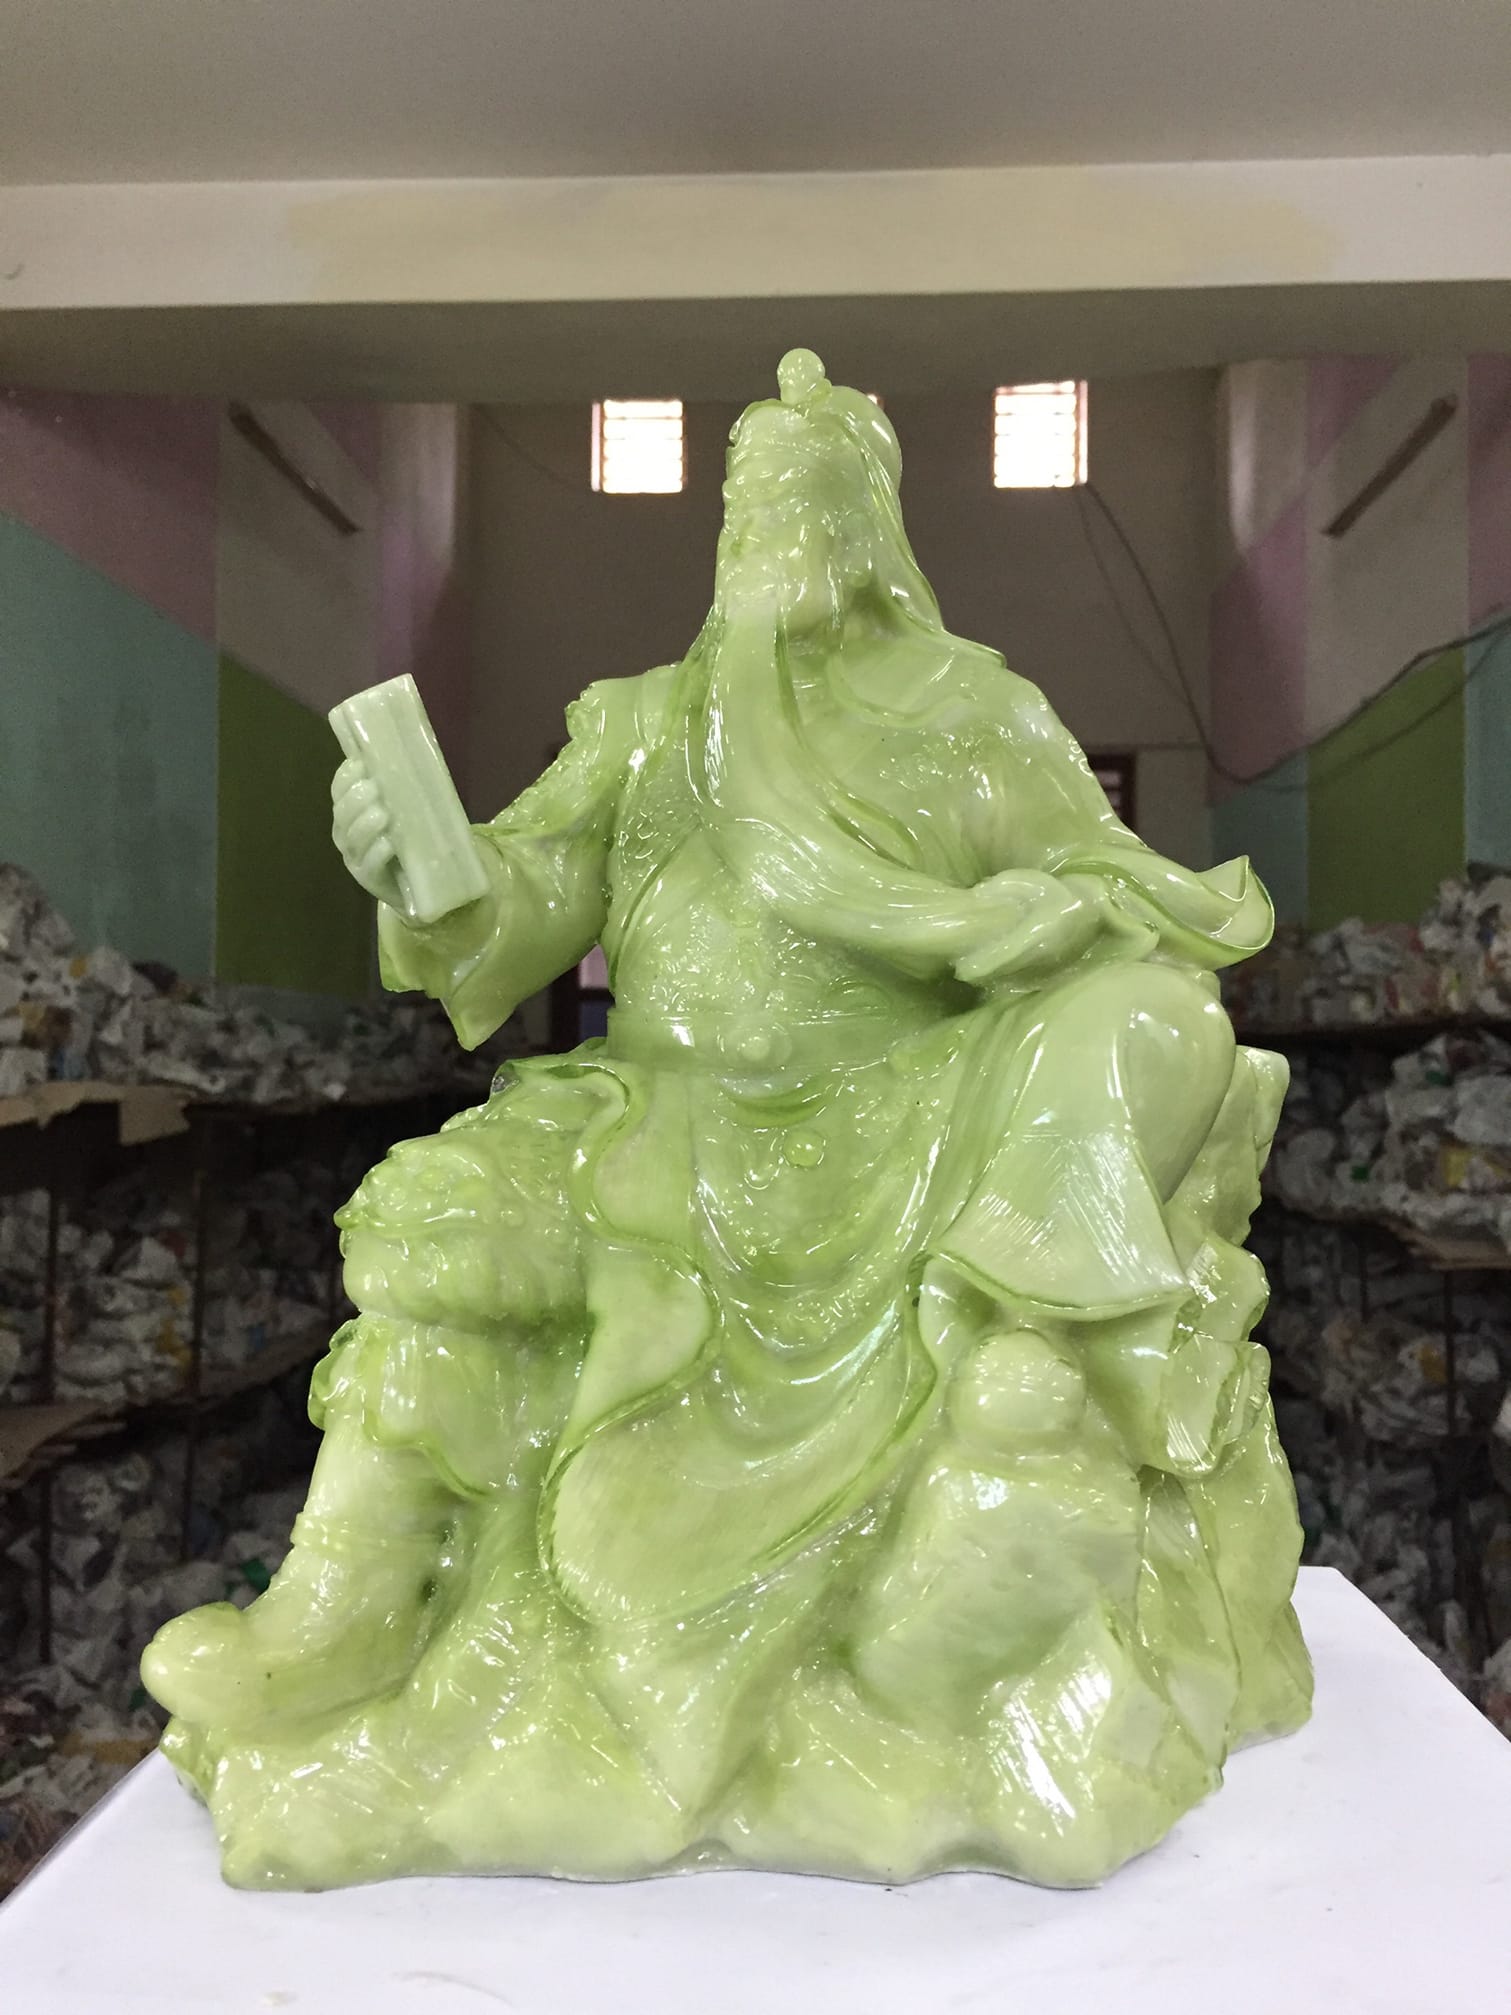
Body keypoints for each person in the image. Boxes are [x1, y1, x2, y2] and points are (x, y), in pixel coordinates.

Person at [144, 350, 1310, 1891]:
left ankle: (1018, 1394)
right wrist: (417, 864)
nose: (777, 528)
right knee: (441, 1212)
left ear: (877, 524)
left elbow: (1115, 894)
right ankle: (338, 1607)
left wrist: (1030, 920)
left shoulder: (979, 717)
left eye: (811, 496)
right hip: (659, 1112)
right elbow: (520, 902)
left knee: (1159, 1019)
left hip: (903, 1113)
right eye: (751, 500)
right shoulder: (648, 727)